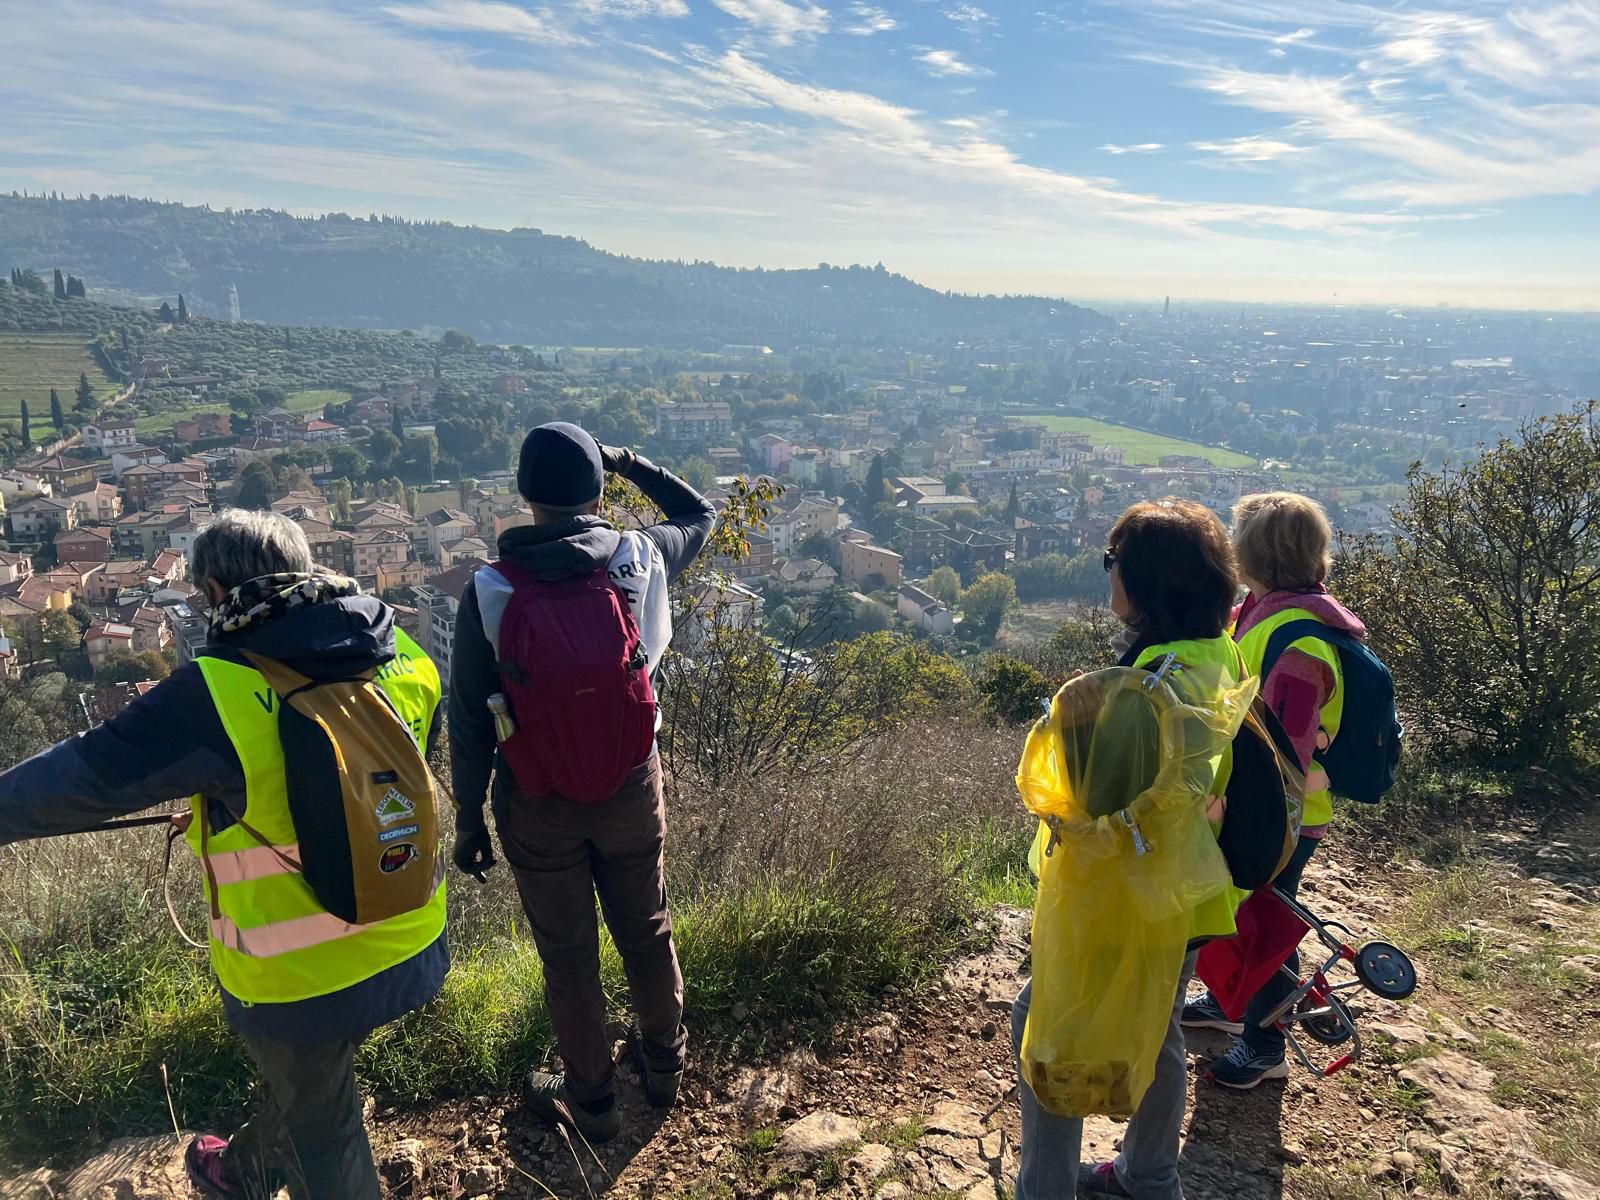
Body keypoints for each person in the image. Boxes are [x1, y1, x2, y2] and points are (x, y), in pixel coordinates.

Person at [0, 510, 446, 1200]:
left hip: (302, 976)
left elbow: (82, 777)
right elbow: (378, 771)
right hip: (410, 930)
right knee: (314, 1089)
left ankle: (258, 1168)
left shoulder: (216, 691)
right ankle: (246, 1167)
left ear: (211, 593)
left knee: (325, 1130)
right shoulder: (404, 653)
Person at [448, 423, 715, 1143]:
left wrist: (468, 817)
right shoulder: (641, 558)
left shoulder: (492, 590)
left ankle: (591, 1098)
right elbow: (701, 514)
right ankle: (664, 1066)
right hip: (631, 780)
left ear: (526, 496)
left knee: (568, 955)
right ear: (598, 489)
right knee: (647, 925)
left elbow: (469, 717)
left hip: (537, 798)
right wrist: (627, 461)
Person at [1013, 499, 1248, 1200]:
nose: (1106, 575)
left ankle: (1045, 1189)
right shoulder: (1219, 651)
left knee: (1047, 1021)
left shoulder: (1144, 688)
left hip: (1125, 896)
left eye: (1111, 563)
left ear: (1145, 583)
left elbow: (1093, 811)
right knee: (1159, 1025)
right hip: (1191, 886)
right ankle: (1152, 1177)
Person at [1182, 491, 1366, 1088]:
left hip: (1281, 815)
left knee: (1264, 919)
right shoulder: (1263, 612)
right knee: (1239, 911)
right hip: (1259, 806)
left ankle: (1266, 1042)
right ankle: (1234, 1007)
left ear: (1255, 551)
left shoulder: (1300, 641)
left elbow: (1286, 751)